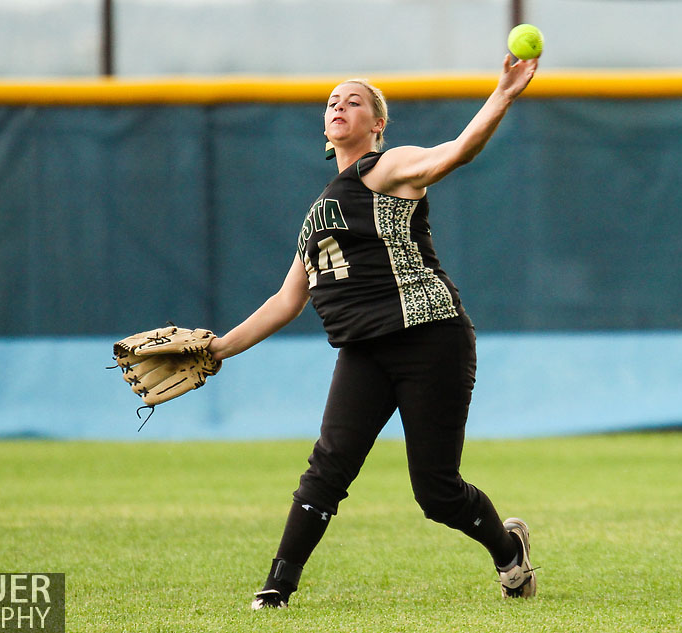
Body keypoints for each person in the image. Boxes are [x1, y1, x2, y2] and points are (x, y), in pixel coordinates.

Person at [207, 54, 539, 609]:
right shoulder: (318, 213)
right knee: (328, 465)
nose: (340, 105)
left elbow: (456, 153)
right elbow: (286, 302)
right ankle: (278, 586)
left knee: (435, 492)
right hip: (363, 351)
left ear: (377, 125)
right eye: (333, 101)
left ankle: (508, 551)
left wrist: (502, 94)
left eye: (354, 100)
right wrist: (218, 349)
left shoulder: (386, 169)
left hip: (428, 336)